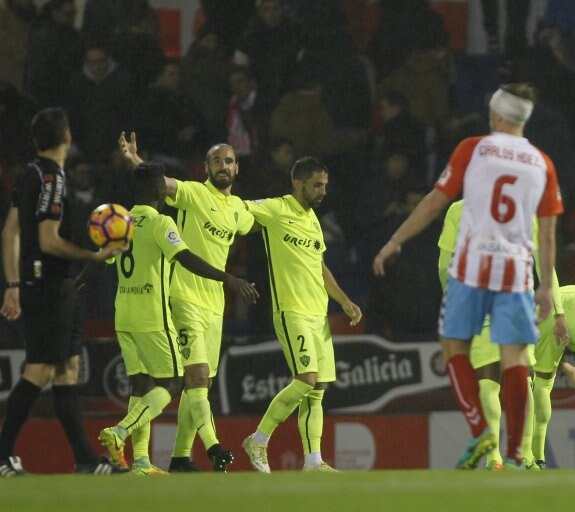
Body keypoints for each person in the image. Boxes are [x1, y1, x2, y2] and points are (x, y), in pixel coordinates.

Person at [373, 83, 564, 469]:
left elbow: (434, 206)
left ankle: (481, 435)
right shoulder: (542, 162)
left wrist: (396, 239)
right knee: (516, 364)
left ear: (495, 115)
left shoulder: (472, 151)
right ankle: (515, 455)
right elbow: (546, 234)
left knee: (457, 351)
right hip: (515, 275)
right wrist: (546, 290)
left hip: (474, 270)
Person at [76, 162, 258, 474]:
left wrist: (75, 285)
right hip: (153, 316)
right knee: (173, 382)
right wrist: (228, 279)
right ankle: (119, 432)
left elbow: (98, 262)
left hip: (123, 316)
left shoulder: (121, 221)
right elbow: (186, 258)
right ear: (161, 190)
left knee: (140, 385)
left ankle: (142, 461)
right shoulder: (162, 224)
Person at [0, 107, 128, 476]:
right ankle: (3, 453)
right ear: (67, 138)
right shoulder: (52, 178)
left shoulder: (29, 173)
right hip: (51, 285)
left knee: (66, 369)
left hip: (41, 284)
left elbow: (10, 232)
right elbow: (48, 239)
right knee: (40, 370)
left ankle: (86, 460)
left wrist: (11, 285)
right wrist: (94, 254)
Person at [242, 156, 362, 472]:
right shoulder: (276, 208)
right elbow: (239, 209)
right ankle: (258, 439)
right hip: (291, 310)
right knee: (305, 379)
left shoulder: (312, 220)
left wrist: (344, 300)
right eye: (317, 185)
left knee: (318, 389)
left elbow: (319, 268)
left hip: (318, 315)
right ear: (298, 183)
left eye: (325, 185)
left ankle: (313, 461)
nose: (323, 191)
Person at [438, 199, 569, 470]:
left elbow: (444, 264)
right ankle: (525, 457)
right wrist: (558, 313)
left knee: (488, 381)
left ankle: (494, 457)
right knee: (524, 380)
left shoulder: (460, 209)